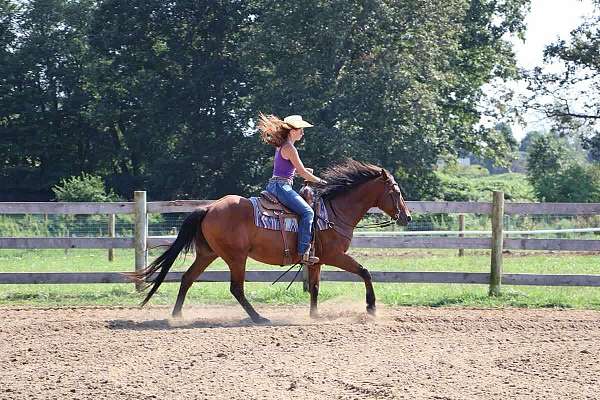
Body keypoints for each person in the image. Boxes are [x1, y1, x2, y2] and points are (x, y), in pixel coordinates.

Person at [257, 113, 327, 265]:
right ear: (292, 131)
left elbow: (289, 169)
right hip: (281, 187)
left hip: (276, 185)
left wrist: (304, 172)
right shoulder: (289, 148)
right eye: (301, 129)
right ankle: (303, 252)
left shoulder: (282, 146)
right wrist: (321, 181)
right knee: (308, 212)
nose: (302, 132)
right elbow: (302, 172)